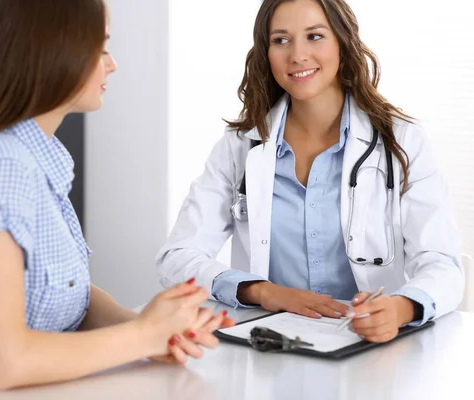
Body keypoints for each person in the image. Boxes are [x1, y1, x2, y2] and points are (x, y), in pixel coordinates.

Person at [0, 1, 233, 398]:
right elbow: (6, 363)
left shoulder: (39, 157)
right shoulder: (1, 169)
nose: (112, 64)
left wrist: (152, 331)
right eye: (102, 47)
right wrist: (142, 336)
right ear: (56, 50)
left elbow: (68, 292)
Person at [157, 0, 463, 344]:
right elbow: (177, 258)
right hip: (269, 342)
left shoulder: (402, 141)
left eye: (314, 36)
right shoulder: (240, 146)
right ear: (265, 52)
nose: (298, 55)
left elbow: (442, 263)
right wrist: (261, 291)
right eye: (281, 40)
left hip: (368, 348)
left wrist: (401, 309)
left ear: (343, 44)